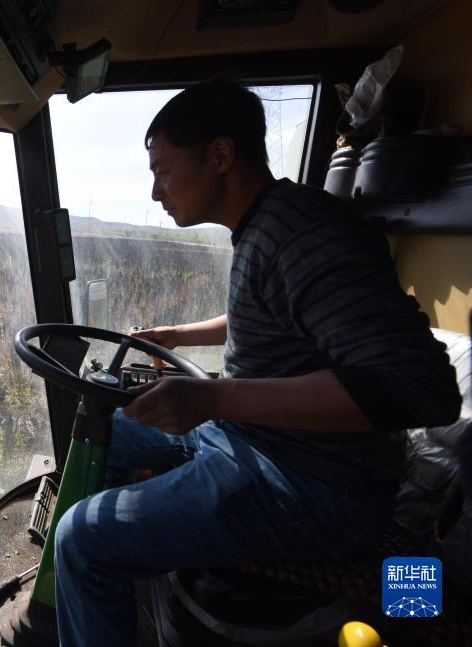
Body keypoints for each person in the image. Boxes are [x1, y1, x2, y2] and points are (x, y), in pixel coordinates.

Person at [53, 80, 462, 646]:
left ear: (220, 155)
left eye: (164, 171)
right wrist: (172, 335)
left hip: (316, 484)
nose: (155, 192)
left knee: (81, 538)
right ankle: (123, 592)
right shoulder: (267, 225)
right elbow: (267, 316)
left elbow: (421, 390)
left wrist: (216, 397)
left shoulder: (304, 232)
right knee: (107, 435)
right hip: (252, 440)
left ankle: (105, 574)